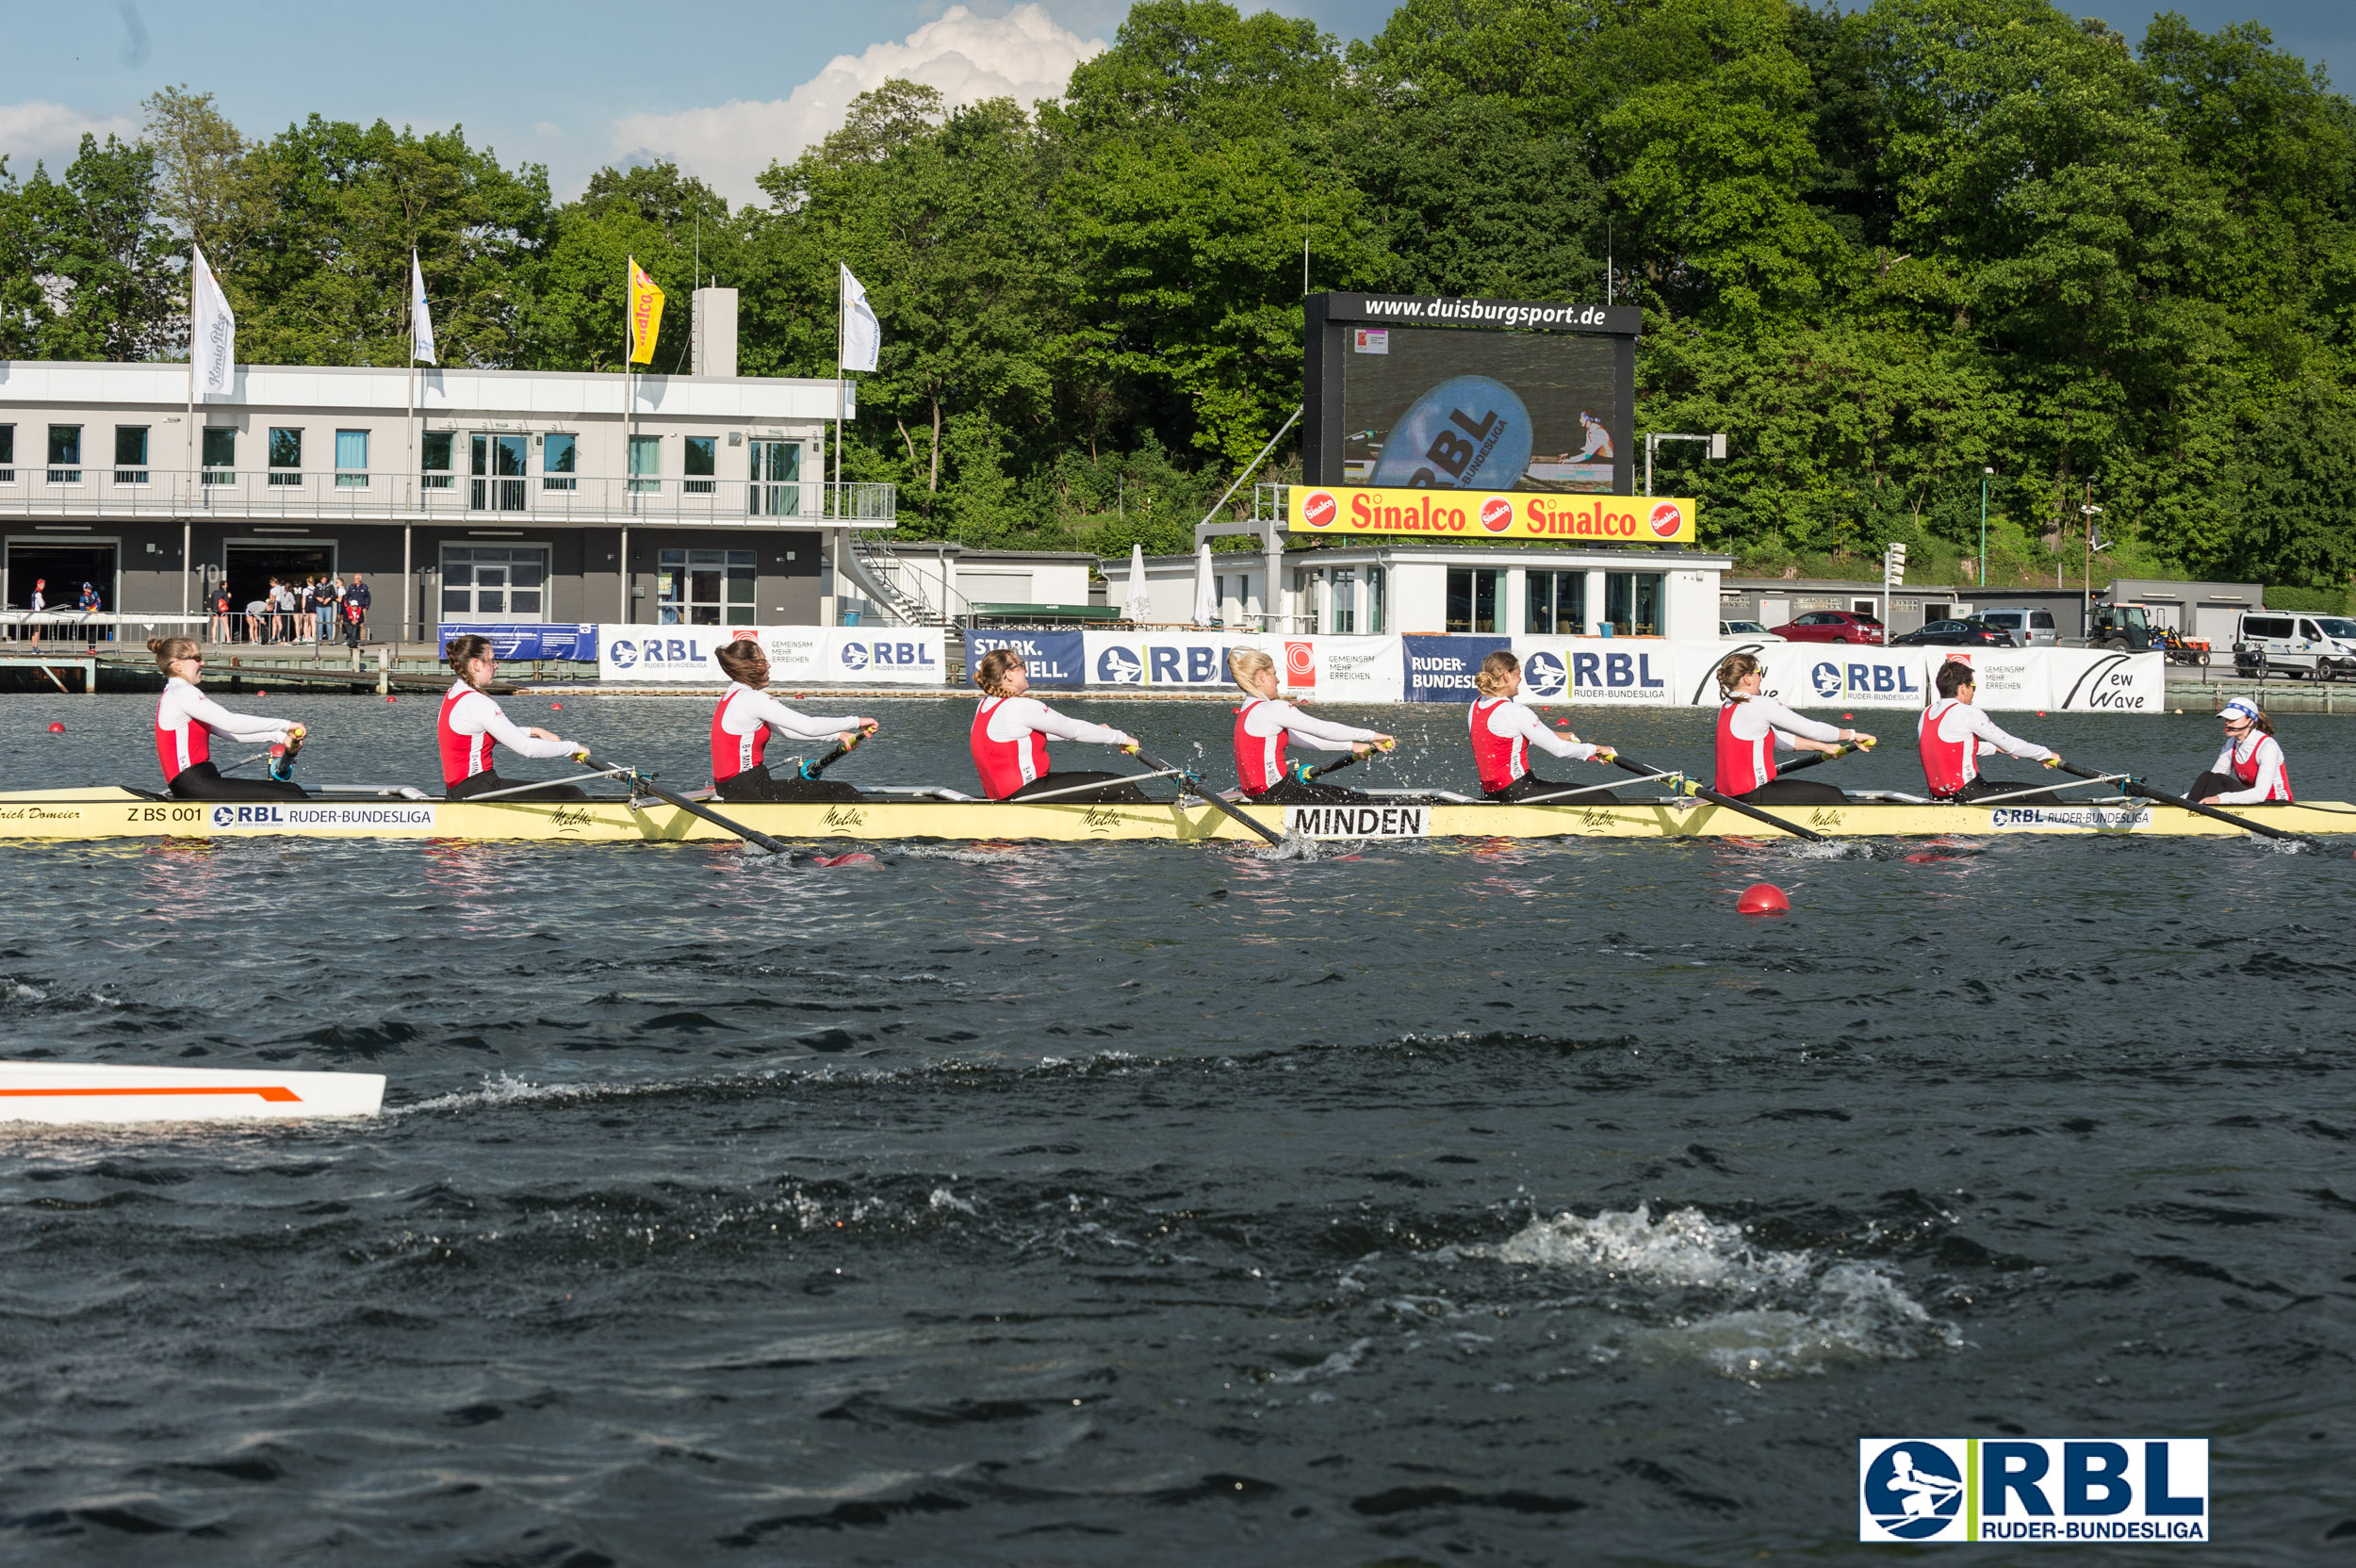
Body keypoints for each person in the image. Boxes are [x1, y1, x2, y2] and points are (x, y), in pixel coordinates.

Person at [969, 646, 1148, 804]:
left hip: (1005, 794)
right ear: (1008, 674)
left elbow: (1044, 733)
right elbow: (1074, 730)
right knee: (1121, 786)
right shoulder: (1020, 705)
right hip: (1027, 792)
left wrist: (1099, 731)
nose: (1025, 670)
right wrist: (1122, 738)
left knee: (1102, 787)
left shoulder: (986, 704)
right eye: (1021, 665)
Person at [709, 640, 877, 802]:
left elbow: (789, 730)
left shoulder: (732, 696)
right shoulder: (753, 699)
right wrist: (855, 721)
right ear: (750, 666)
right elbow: (808, 726)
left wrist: (839, 735)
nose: (769, 665)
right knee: (843, 791)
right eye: (763, 661)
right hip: (751, 788)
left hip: (734, 787)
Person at [149, 636, 310, 801]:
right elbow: (231, 723)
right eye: (197, 658)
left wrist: (279, 737)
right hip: (194, 782)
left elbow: (228, 732)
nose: (202, 663)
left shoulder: (174, 692)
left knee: (292, 790)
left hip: (197, 781)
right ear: (178, 665)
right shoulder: (182, 692)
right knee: (291, 794)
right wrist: (287, 725)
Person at [1226, 646, 1393, 803]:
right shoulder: (1272, 708)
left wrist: (1352, 745)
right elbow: (1324, 730)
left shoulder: (1248, 711)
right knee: (1358, 801)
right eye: (1274, 674)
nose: (1278, 680)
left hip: (1260, 794)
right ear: (1262, 676)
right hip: (1279, 792)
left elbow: (1303, 740)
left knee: (1342, 795)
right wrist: (1374, 736)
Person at [440, 632, 590, 801]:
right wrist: (573, 748)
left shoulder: (454, 693)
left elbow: (484, 733)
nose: (496, 666)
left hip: (461, 791)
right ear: (476, 664)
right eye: (492, 660)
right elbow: (528, 749)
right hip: (479, 790)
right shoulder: (478, 702)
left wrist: (535, 731)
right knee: (572, 794)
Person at [1712, 651, 1875, 806]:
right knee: (1834, 795)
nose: (1761, 679)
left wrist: (1823, 747)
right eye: (1758, 672)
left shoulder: (1727, 706)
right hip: (1753, 794)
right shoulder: (1759, 704)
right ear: (1748, 678)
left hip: (1728, 795)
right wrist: (1853, 735)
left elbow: (1778, 739)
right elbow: (1813, 730)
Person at [1466, 649, 1619, 803]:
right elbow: (1559, 750)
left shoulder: (1476, 705)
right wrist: (1597, 749)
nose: (1520, 679)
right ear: (1507, 675)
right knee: (1605, 798)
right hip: (1520, 792)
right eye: (1518, 674)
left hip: (1492, 793)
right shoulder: (1515, 711)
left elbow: (1508, 740)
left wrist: (1565, 737)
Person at [1918, 661, 2066, 805]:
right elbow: (2011, 745)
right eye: (1973, 687)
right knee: (2042, 794)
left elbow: (1948, 749)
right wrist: (2046, 754)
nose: (1973, 693)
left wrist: (1994, 748)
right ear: (1963, 688)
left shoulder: (1927, 712)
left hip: (1939, 795)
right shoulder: (1966, 712)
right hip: (1969, 793)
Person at [2187, 697, 2292, 805]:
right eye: (2226, 719)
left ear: (2250, 721)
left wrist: (2220, 799)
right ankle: (2188, 806)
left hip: (2276, 803)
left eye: (2233, 719)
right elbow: (2210, 781)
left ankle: (2197, 813)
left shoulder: (2268, 746)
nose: (2227, 723)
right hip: (2253, 800)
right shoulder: (2231, 744)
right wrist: (2184, 798)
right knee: (2208, 776)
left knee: (2219, 779)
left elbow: (2260, 794)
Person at [347, 573, 370, 641]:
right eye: (354, 579)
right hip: (353, 609)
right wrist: (349, 605)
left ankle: (363, 640)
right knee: (353, 624)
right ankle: (353, 639)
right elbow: (347, 596)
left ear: (360, 579)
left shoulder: (365, 586)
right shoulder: (351, 586)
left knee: (362, 625)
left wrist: (367, 607)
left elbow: (369, 598)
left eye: (357, 579)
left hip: (362, 608)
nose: (355, 580)